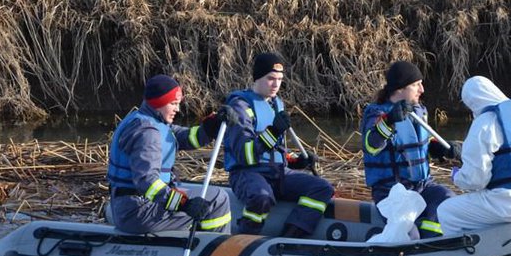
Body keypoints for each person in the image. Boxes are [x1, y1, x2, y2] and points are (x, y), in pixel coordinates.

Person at [222, 52, 334, 238]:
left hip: (277, 172)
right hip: (248, 173)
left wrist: (296, 161)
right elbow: (245, 155)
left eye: (280, 79)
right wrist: (273, 132)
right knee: (261, 197)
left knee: (322, 188)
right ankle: (245, 238)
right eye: (271, 78)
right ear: (258, 78)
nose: (276, 84)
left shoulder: (276, 104)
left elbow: (276, 151)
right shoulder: (240, 107)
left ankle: (291, 236)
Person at [107, 74, 232, 234]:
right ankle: (215, 249)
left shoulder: (149, 121)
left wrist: (211, 127)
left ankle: (200, 237)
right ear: (158, 103)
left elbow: (186, 138)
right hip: (139, 211)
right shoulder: (148, 133)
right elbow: (147, 182)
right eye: (173, 104)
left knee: (205, 195)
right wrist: (184, 204)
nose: (177, 109)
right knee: (218, 199)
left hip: (134, 206)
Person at [436, 76, 511, 235]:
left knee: (447, 211)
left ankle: (467, 254)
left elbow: (475, 180)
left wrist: (457, 177)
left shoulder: (485, 123)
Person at [360, 60, 458, 239]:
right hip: (392, 191)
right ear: (400, 89)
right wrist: (389, 121)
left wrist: (439, 148)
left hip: (422, 185)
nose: (422, 90)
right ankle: (413, 249)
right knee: (409, 234)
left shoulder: (420, 110)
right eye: (416, 85)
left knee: (447, 200)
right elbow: (371, 145)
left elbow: (420, 145)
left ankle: (433, 245)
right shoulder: (376, 114)